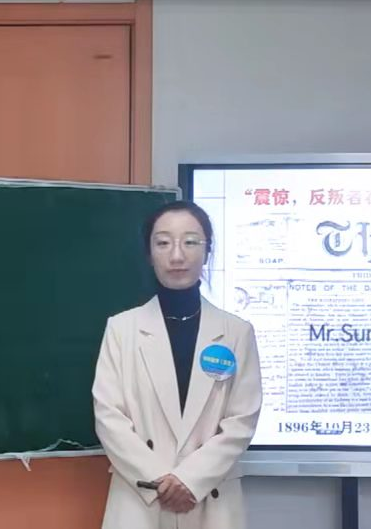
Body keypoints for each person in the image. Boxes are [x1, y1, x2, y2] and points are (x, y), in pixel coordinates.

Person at [92, 200, 263, 529]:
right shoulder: (122, 329)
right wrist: (160, 480)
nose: (176, 255)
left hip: (210, 497)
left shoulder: (236, 332)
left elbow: (242, 420)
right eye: (163, 242)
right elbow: (108, 416)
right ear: (149, 253)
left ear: (207, 251)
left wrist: (190, 481)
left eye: (190, 242)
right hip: (141, 495)